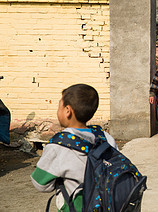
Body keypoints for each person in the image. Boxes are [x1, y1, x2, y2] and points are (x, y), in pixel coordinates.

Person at [31, 84, 117, 212]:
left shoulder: (58, 145)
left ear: (67, 110)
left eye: (59, 106)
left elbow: (40, 183)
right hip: (107, 205)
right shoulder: (105, 137)